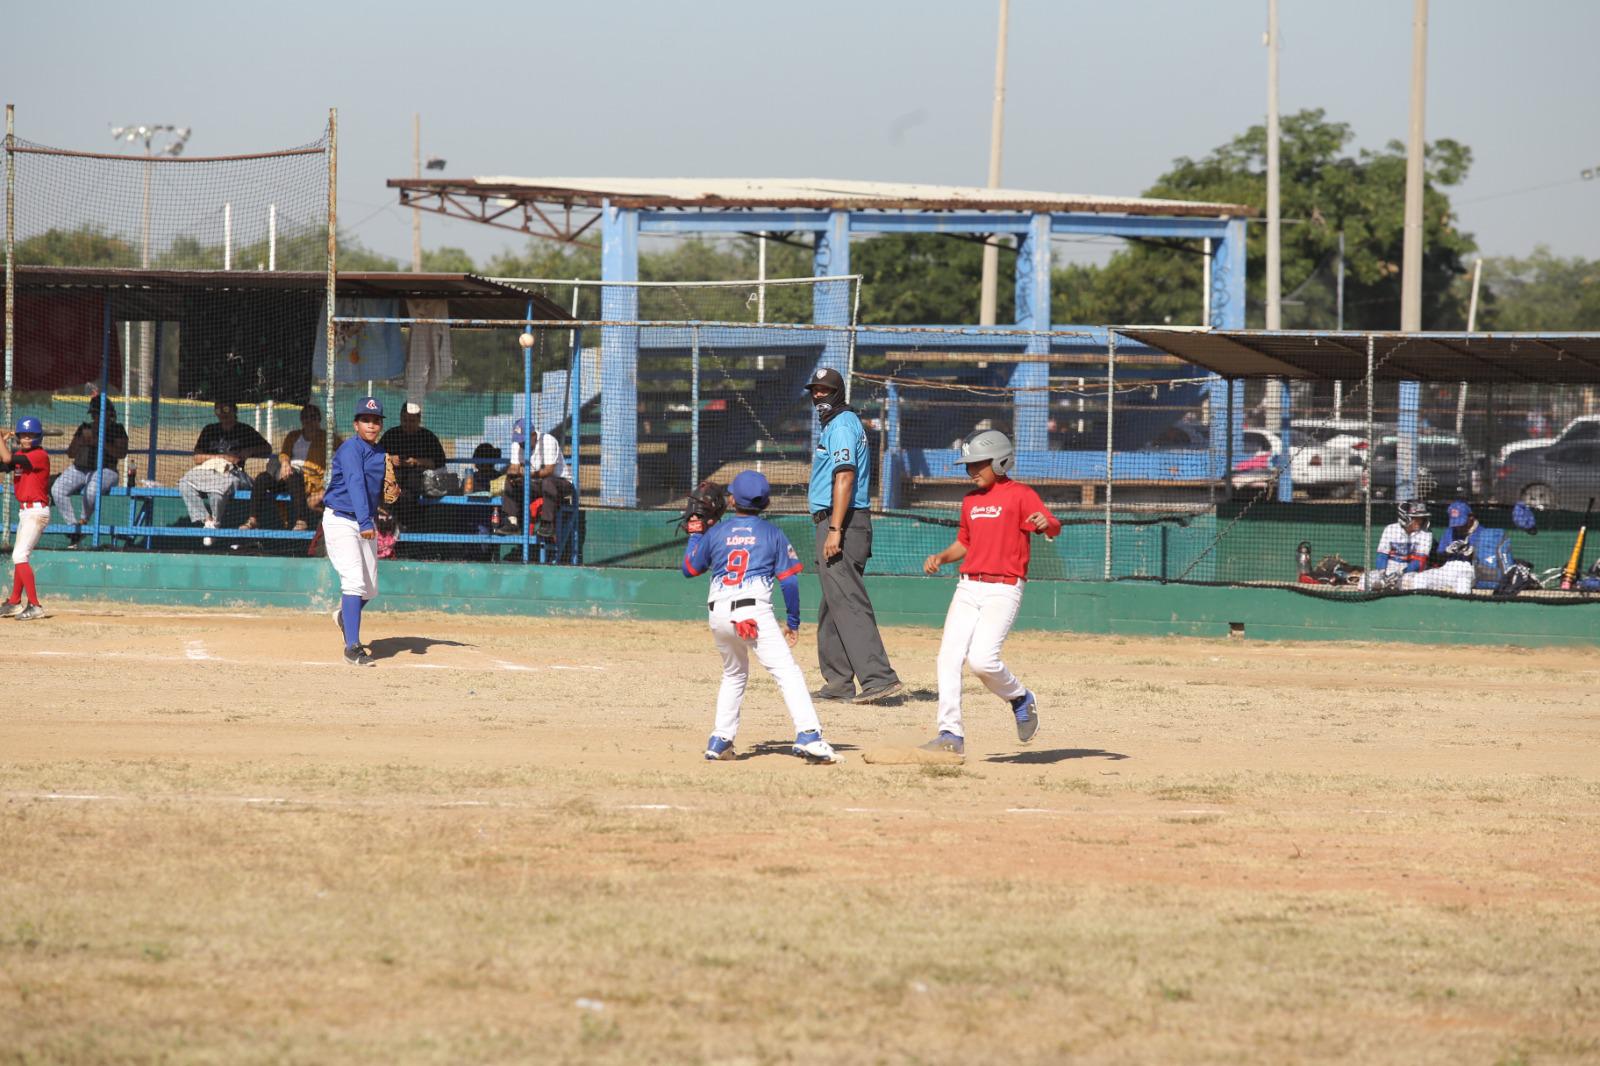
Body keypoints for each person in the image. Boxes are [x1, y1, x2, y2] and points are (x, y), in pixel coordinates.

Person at [681, 470, 841, 764]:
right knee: (787, 672)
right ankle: (809, 734)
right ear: (766, 503)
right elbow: (789, 582)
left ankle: (720, 740)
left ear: (731, 500)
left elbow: (690, 569)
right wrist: (793, 622)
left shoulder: (716, 532)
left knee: (734, 674)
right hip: (752, 612)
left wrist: (695, 535)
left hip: (718, 613)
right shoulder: (771, 533)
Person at [919, 430, 1061, 756]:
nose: (971, 471)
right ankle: (950, 734)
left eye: (977, 464)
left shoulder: (1021, 495)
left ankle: (1020, 697)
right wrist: (942, 557)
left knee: (982, 661)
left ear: (1000, 461)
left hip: (1004, 589)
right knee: (948, 658)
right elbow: (964, 543)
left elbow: (1052, 525)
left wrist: (1045, 522)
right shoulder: (970, 500)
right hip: (968, 585)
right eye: (968, 465)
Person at [803, 366, 902, 703]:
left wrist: (834, 529)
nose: (818, 396)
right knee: (834, 604)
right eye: (814, 390)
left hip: (842, 521)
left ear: (838, 393)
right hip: (840, 520)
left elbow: (844, 477)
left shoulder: (842, 425)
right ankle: (838, 682)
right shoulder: (838, 424)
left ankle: (879, 678)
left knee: (848, 602)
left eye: (824, 390)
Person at [322, 396, 389, 667]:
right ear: (356, 424)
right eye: (366, 420)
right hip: (342, 520)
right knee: (353, 582)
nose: (371, 425)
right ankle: (352, 647)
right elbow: (355, 483)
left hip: (364, 520)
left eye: (375, 421)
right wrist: (364, 522)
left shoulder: (379, 452)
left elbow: (374, 487)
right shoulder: (350, 449)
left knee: (370, 589)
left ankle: (343, 617)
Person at [177, 400, 273, 546]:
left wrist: (249, 451)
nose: (223, 414)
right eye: (218, 411)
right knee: (184, 483)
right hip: (209, 471)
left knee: (217, 492)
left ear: (234, 411)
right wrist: (221, 457)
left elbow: (267, 449)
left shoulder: (244, 430)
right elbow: (197, 458)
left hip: (234, 473)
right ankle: (208, 521)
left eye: (226, 410)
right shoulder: (210, 430)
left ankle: (215, 523)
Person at [51, 395, 129, 547]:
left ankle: (83, 521)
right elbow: (70, 453)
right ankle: (74, 527)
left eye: (99, 413)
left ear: (109, 413)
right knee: (57, 488)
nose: (95, 417)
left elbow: (122, 453)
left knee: (92, 489)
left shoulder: (117, 429)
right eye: (94, 414)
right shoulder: (85, 428)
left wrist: (100, 443)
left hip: (107, 470)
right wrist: (80, 442)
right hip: (79, 469)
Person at [244, 403, 333, 532]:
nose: (309, 421)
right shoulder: (293, 436)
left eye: (313, 417)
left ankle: (301, 520)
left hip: (308, 481)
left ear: (319, 419)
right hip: (286, 474)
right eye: (305, 417)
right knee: (262, 477)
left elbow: (344, 451)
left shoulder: (328, 438)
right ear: (302, 420)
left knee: (293, 477)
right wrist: (285, 464)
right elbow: (284, 453)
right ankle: (253, 519)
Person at [1, 416, 50, 620]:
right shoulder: (20, 454)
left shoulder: (39, 455)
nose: (27, 438)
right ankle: (14, 602)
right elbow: (3, 464)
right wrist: (2, 441)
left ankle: (35, 605)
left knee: (19, 556)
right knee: (20, 556)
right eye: (23, 435)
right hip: (25, 512)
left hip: (36, 512)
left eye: (31, 435)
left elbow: (7, 459)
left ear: (38, 437)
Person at [378, 401, 446, 531]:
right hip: (393, 481)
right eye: (405, 420)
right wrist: (390, 459)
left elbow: (438, 462)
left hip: (417, 483)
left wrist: (416, 462)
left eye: (412, 421)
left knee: (408, 491)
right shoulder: (391, 435)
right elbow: (376, 458)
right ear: (400, 418)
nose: (408, 424)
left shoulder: (428, 437)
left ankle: (406, 527)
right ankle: (390, 526)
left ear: (419, 420)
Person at [503, 419, 573, 538]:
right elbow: (514, 467)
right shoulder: (517, 444)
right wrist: (513, 474)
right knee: (509, 482)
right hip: (535, 483)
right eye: (519, 441)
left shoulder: (548, 441)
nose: (521, 444)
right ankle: (512, 522)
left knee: (548, 482)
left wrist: (526, 475)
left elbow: (549, 470)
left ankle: (547, 524)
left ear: (533, 435)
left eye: (524, 441)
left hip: (560, 482)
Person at [1439, 498, 1519, 591]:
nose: (1458, 527)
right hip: (1447, 569)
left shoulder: (1483, 533)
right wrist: (1447, 551)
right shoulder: (1450, 531)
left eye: (1461, 523)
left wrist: (1473, 553)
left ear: (1471, 517)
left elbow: (1488, 561)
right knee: (1421, 579)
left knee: (1462, 583)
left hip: (1470, 571)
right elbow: (1439, 555)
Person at [1363, 500, 1435, 591]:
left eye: (1422, 518)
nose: (1420, 521)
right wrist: (1382, 574)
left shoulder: (1426, 534)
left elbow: (1420, 562)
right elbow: (1382, 555)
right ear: (1404, 518)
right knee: (1364, 581)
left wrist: (1400, 573)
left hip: (1410, 571)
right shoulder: (1390, 529)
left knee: (1417, 583)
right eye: (1416, 518)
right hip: (1390, 568)